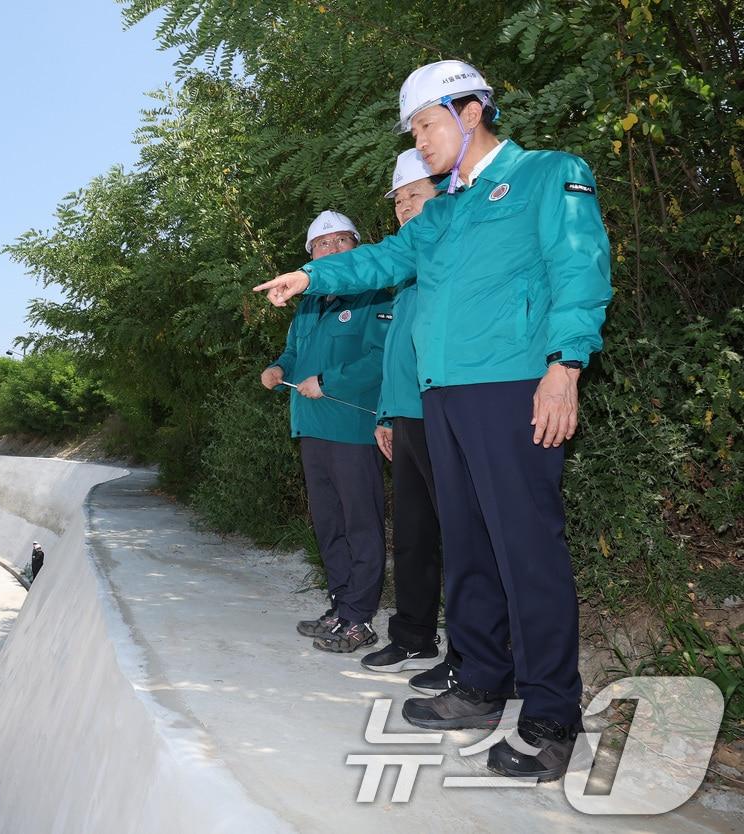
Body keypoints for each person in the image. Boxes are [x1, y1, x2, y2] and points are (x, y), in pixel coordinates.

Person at [252, 60, 611, 782]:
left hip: (513, 385)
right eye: (413, 129)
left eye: (424, 123)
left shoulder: (546, 174)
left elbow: (581, 268)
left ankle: (550, 720)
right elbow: (381, 259)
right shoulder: (443, 212)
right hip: (441, 394)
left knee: (525, 551)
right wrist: (311, 276)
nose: (418, 140)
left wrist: (563, 366)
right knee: (470, 549)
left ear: (470, 110)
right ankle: (481, 681)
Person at [261, 210, 392, 654]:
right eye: (323, 245)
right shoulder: (310, 304)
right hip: (311, 430)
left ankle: (360, 620)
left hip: (353, 430)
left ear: (357, 246)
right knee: (329, 524)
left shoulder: (376, 296)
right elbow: (294, 352)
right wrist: (280, 368)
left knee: (361, 525)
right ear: (310, 256)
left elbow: (380, 358)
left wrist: (331, 382)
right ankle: (340, 606)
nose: (332, 250)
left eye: (341, 242)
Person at [358, 149, 464, 695]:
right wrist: (384, 415)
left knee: (464, 537)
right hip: (405, 417)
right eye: (398, 200)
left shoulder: (450, 257)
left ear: (443, 192)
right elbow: (394, 354)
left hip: (447, 415)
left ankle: (471, 654)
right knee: (416, 536)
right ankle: (414, 634)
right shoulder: (406, 273)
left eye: (412, 195)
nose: (403, 207)